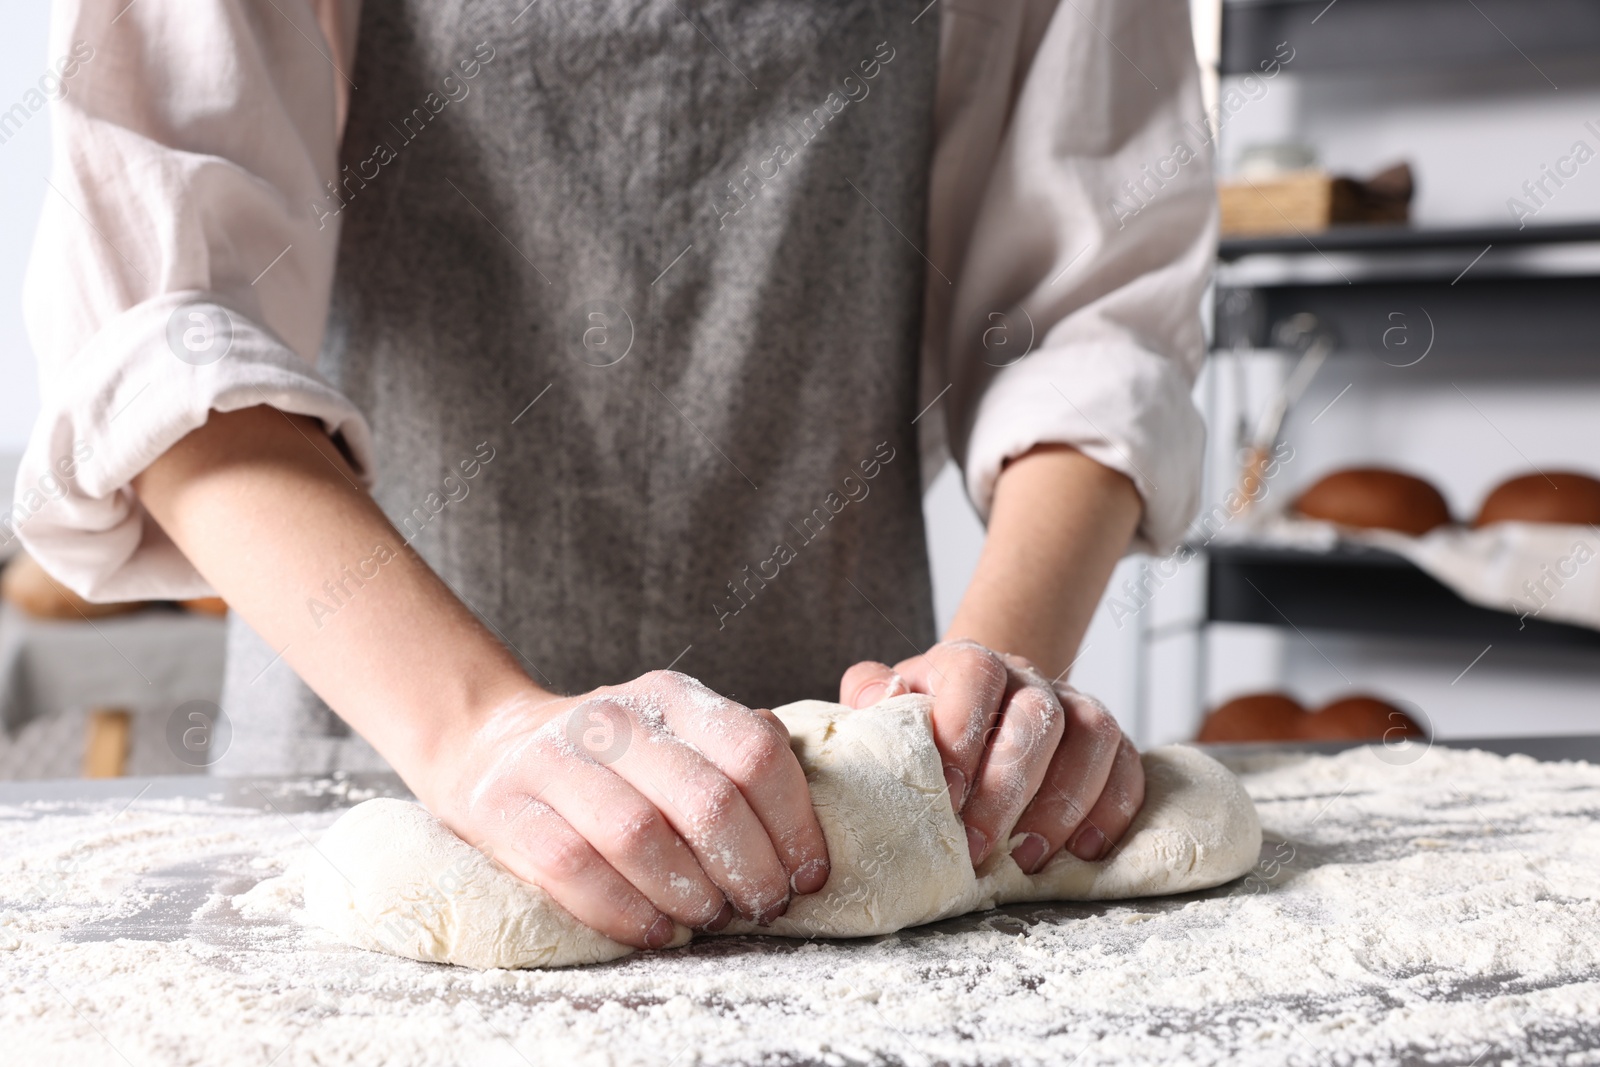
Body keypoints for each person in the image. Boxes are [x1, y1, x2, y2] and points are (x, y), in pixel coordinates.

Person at [17, 0, 1213, 949]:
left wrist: (977, 727)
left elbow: (1089, 317)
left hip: (854, 763)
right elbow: (159, 313)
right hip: (379, 746)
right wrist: (478, 731)